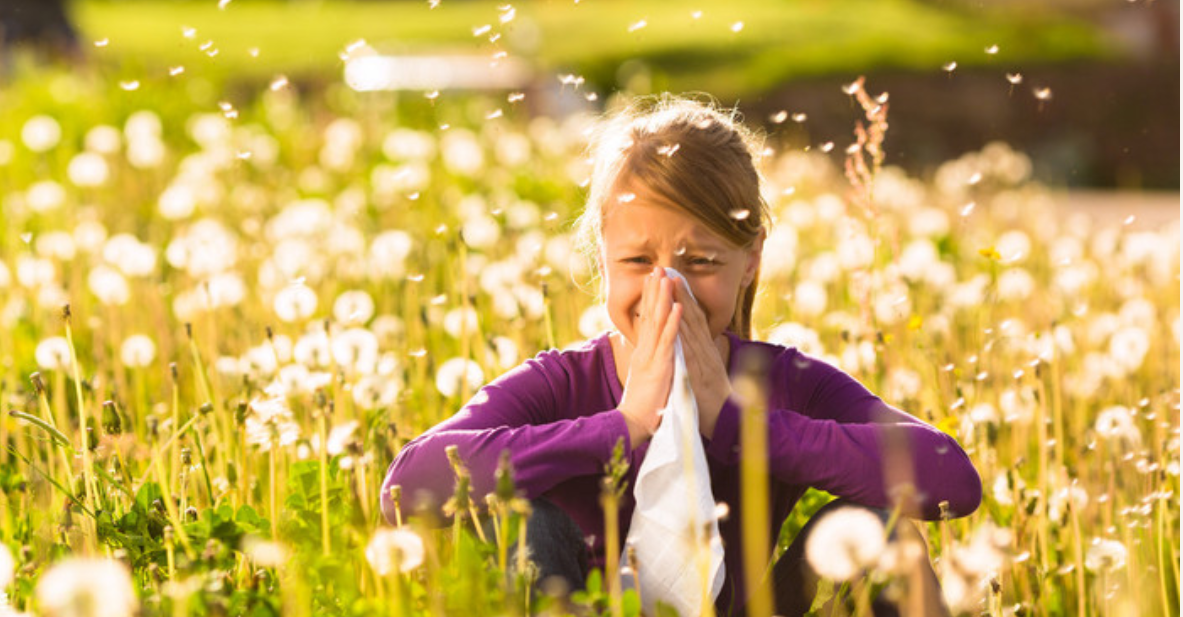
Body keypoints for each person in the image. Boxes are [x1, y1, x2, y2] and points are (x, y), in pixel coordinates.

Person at [380, 95, 981, 616]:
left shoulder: (783, 380)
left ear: (750, 261)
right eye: (639, 262)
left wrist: (737, 423)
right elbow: (406, 489)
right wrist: (624, 427)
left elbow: (951, 479)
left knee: (885, 532)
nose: (668, 290)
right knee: (528, 522)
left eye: (701, 263)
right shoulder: (560, 383)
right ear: (601, 258)